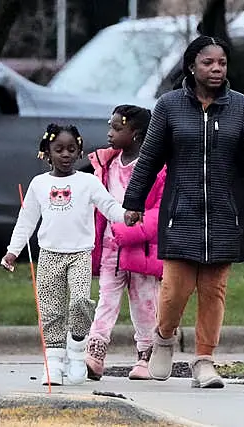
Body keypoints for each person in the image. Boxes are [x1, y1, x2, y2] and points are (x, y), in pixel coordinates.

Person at [122, 35, 244, 389]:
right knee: (175, 289)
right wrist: (133, 202)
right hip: (181, 212)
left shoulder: (241, 106)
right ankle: (163, 338)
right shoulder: (169, 106)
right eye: (208, 63)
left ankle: (204, 361)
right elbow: (149, 159)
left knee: (214, 290)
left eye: (221, 63)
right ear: (192, 66)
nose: (216, 69)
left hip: (224, 214)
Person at [1, 123, 125, 386]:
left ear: (79, 151)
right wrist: (13, 252)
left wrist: (128, 216)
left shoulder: (88, 182)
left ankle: (77, 354)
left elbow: (109, 207)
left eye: (71, 149)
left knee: (80, 302)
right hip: (49, 255)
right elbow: (26, 221)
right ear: (47, 152)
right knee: (51, 310)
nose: (66, 154)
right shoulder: (39, 184)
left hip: (80, 254)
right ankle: (54, 365)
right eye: (59, 149)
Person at [85, 105, 167, 381]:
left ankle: (146, 357)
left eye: (117, 129)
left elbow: (160, 210)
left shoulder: (157, 168)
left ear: (137, 134)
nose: (109, 134)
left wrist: (129, 231)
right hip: (110, 247)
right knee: (106, 299)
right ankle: (95, 353)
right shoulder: (106, 164)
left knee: (144, 304)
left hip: (142, 248)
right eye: (110, 127)